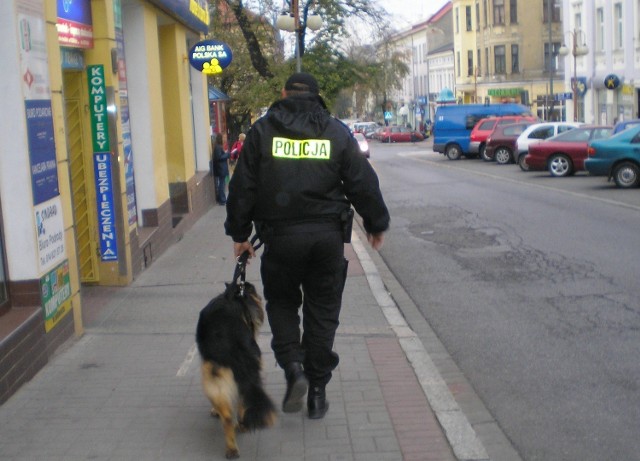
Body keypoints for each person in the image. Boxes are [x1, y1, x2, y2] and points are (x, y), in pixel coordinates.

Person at [224, 72, 390, 419]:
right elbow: (362, 181)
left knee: (283, 305)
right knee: (323, 313)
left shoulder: (261, 132)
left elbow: (243, 187)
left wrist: (239, 235)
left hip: (280, 239)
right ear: (317, 97)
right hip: (326, 239)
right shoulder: (335, 131)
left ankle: (294, 368)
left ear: (284, 93)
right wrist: (376, 223)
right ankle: (316, 392)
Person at [212, 133, 229, 205]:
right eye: (223, 138)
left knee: (223, 183)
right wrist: (227, 154)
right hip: (221, 169)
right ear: (220, 139)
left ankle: (222, 198)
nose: (225, 139)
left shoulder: (219, 147)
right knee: (221, 184)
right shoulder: (218, 147)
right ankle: (222, 199)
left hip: (222, 168)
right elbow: (219, 158)